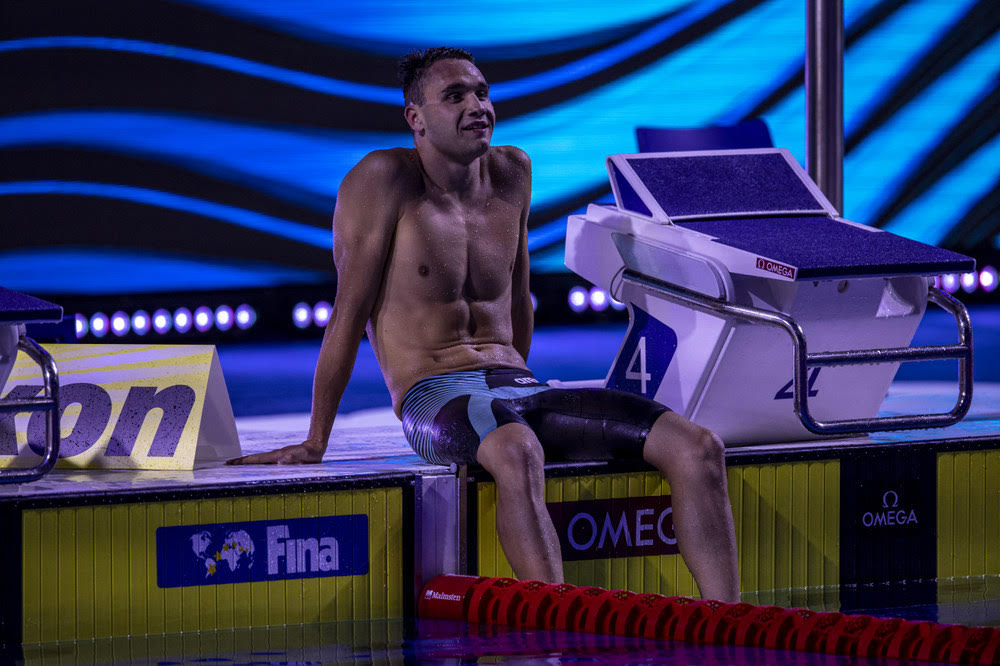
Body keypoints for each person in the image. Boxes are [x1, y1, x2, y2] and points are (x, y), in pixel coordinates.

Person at [228, 47, 740, 602]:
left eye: (482, 92)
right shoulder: (382, 180)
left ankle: (730, 626)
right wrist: (315, 439)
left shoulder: (511, 172)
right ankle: (556, 641)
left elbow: (518, 299)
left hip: (518, 387)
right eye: (455, 96)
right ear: (415, 117)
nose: (478, 107)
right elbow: (348, 315)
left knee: (697, 445)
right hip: (434, 393)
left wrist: (523, 382)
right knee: (517, 450)